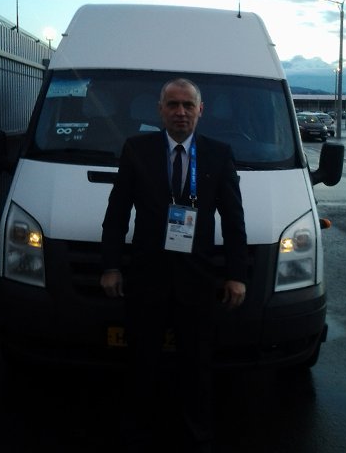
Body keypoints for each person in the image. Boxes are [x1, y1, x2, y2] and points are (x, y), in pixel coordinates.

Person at [100, 77, 248, 452]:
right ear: (160, 110)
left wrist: (236, 275)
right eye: (172, 105)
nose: (180, 112)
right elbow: (116, 214)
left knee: (197, 363)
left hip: (197, 280)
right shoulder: (136, 150)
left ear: (200, 111)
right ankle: (135, 433)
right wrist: (111, 266)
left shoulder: (218, 154)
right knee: (141, 362)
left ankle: (198, 434)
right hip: (146, 277)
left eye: (188, 105)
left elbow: (234, 221)